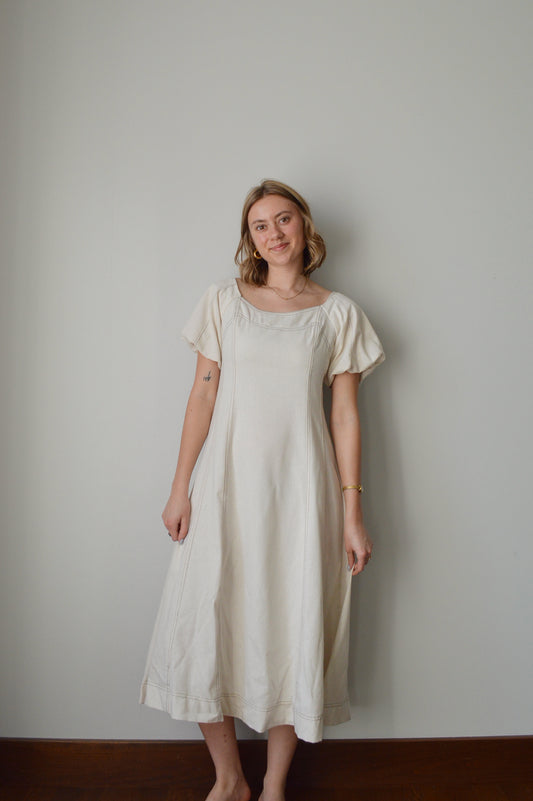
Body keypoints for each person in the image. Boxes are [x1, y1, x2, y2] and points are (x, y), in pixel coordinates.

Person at [139, 179, 386, 801]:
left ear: (305, 226)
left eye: (284, 220)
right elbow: (202, 395)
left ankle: (274, 784)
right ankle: (229, 780)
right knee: (205, 621)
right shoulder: (225, 302)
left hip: (303, 494)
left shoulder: (338, 313)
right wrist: (180, 488)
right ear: (249, 239)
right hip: (225, 490)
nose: (274, 234)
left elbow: (346, 417)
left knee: (290, 623)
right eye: (260, 226)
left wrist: (353, 511)